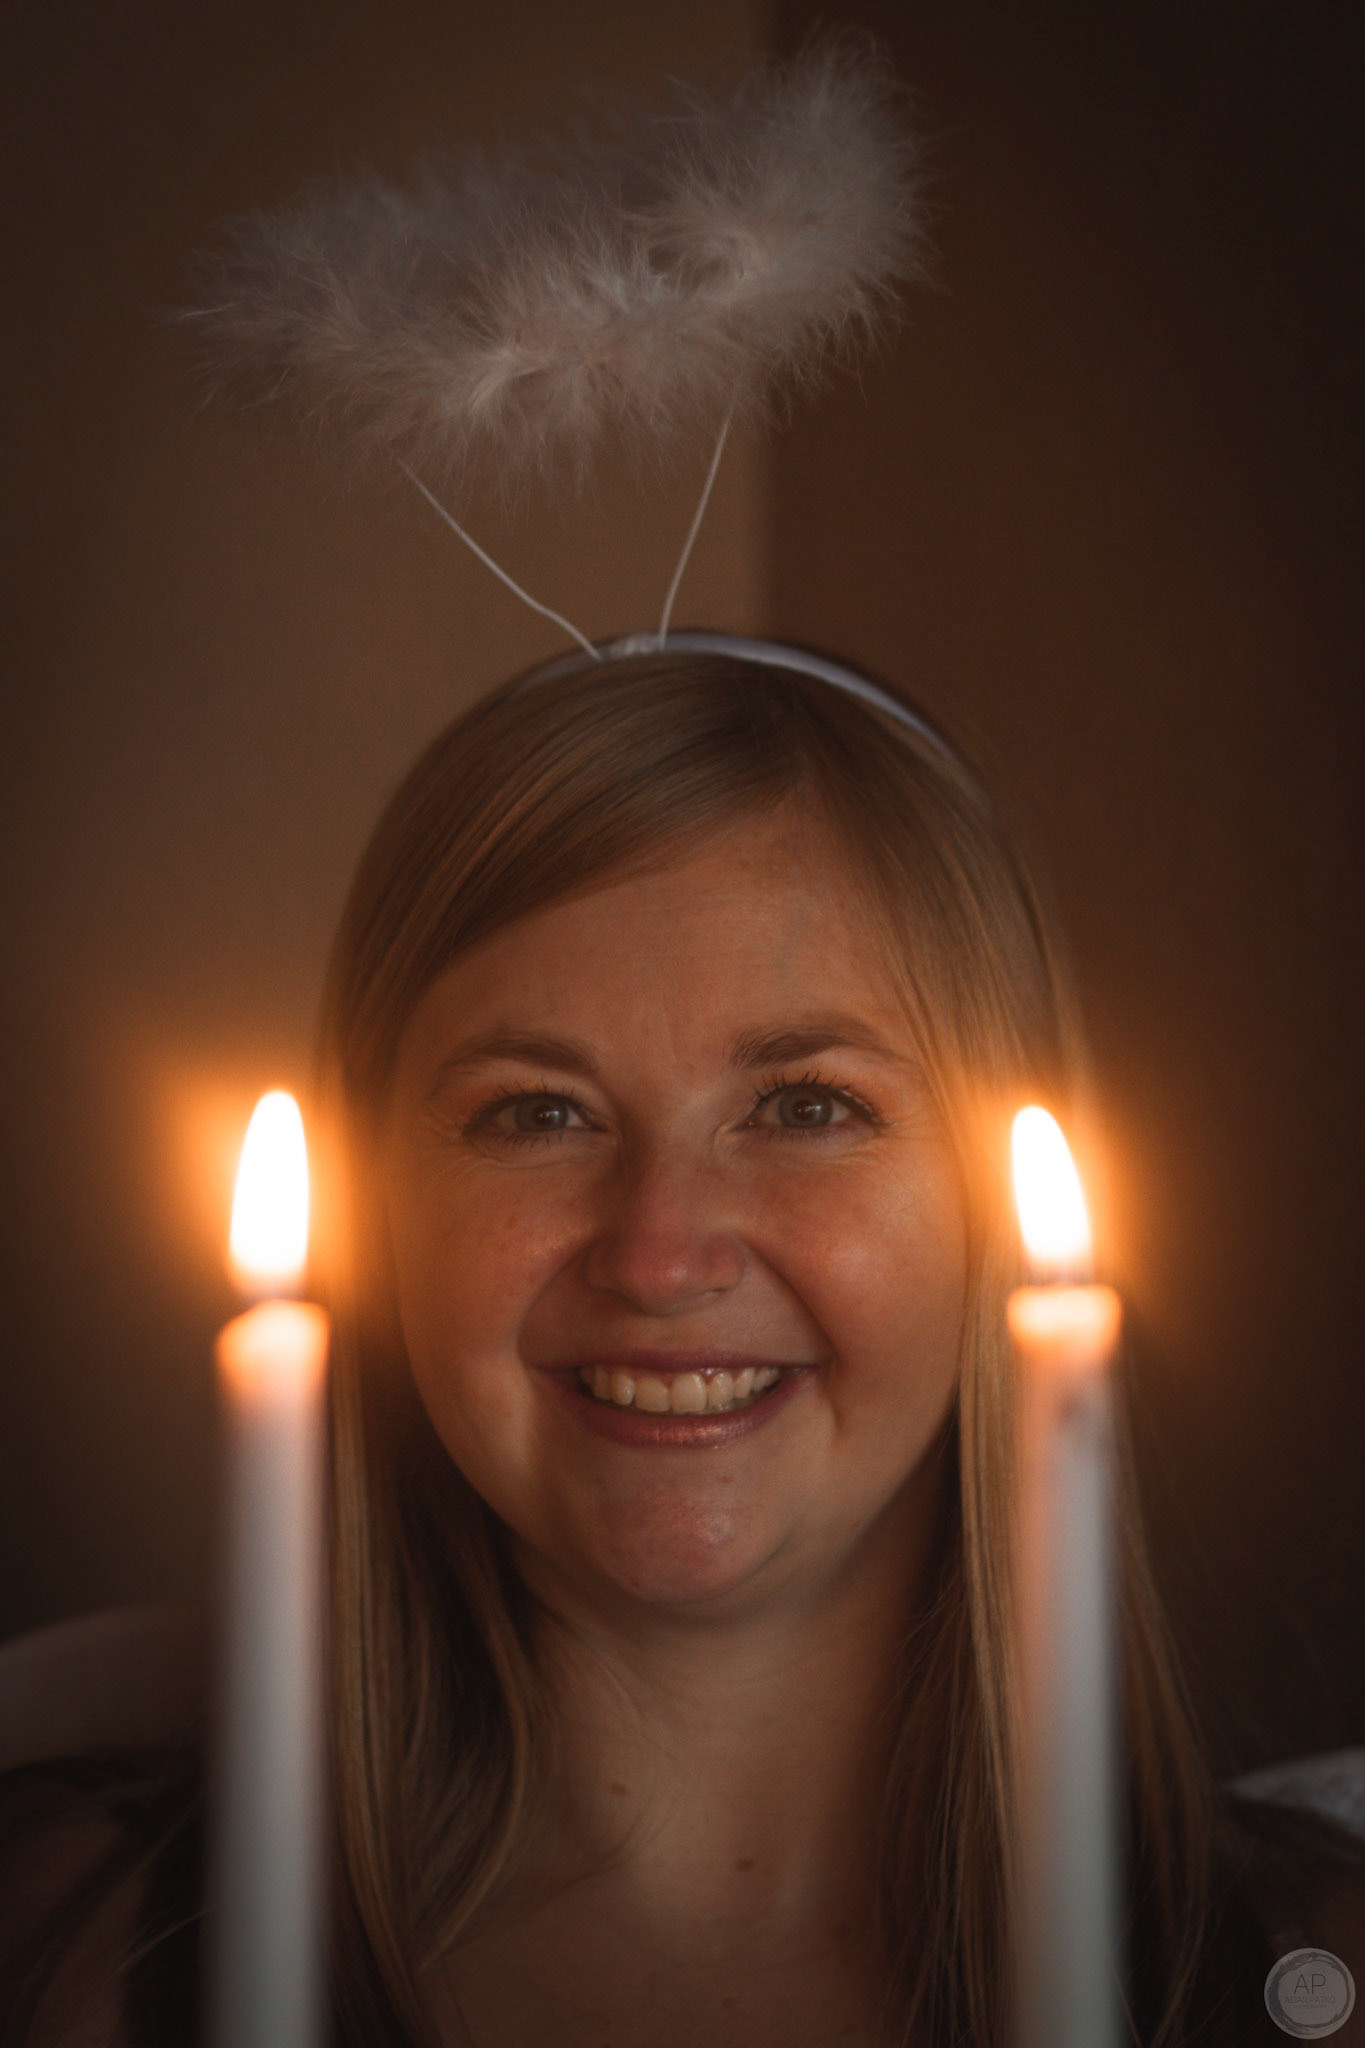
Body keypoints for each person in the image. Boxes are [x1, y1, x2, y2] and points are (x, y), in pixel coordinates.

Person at [6, 636, 1361, 2045]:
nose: (658, 1258)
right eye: (536, 1112)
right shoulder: (65, 1959)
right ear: (374, 1212)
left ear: (1000, 1214)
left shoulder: (1312, 1983)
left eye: (806, 1106)